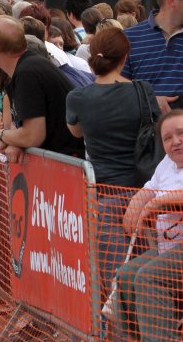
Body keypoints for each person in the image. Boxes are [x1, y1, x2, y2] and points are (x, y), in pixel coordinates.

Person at [66, 26, 160, 300]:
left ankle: (120, 323)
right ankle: (146, 320)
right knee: (150, 266)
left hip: (105, 192)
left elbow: (76, 132)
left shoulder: (78, 98)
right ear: (125, 57)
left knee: (114, 271)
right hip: (144, 190)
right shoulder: (142, 90)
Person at [113, 110, 183, 342]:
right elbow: (149, 188)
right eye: (168, 138)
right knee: (126, 275)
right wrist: (137, 204)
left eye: (181, 134)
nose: (175, 141)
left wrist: (156, 203)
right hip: (169, 248)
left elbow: (162, 198)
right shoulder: (167, 164)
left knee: (149, 276)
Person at [0, 16, 83, 161]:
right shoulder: (29, 67)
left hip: (67, 162)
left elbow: (33, 136)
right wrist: (15, 140)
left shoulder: (27, 73)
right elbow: (26, 129)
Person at [122, 0, 183, 112]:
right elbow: (116, 87)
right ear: (171, 0)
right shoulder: (129, 37)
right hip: (146, 123)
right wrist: (149, 99)